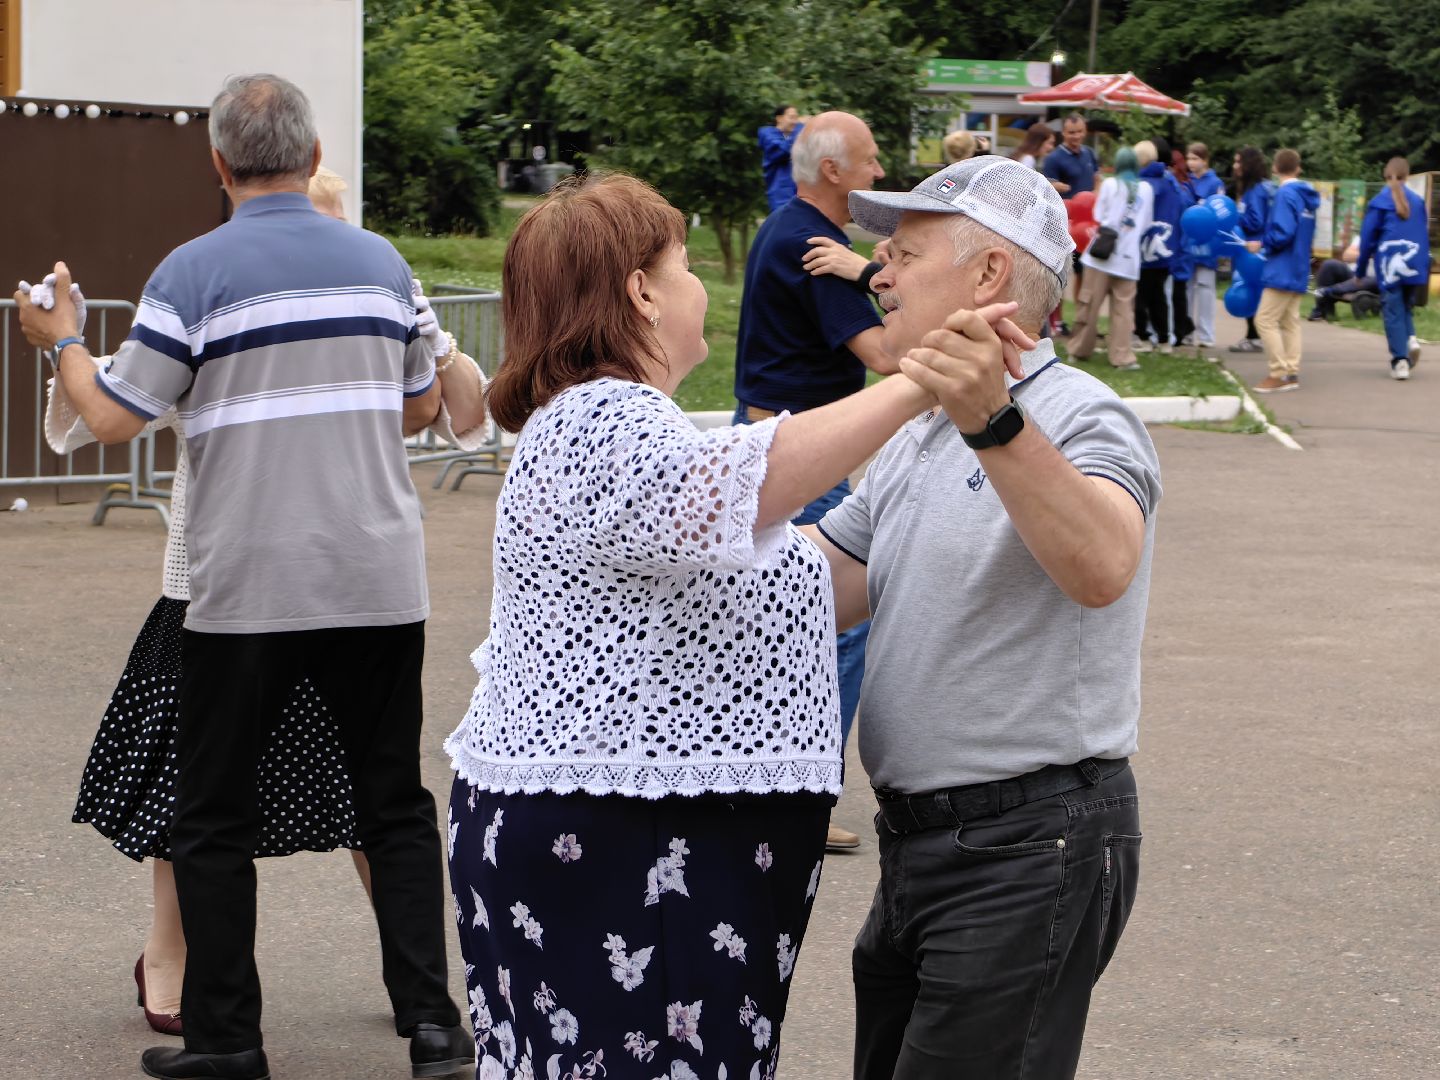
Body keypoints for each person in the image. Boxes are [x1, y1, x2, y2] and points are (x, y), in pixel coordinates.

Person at [442, 170, 1036, 1080]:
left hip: (625, 836)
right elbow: (731, 485)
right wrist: (924, 383)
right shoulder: (604, 419)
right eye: (682, 268)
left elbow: (795, 572)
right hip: (631, 850)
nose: (703, 290)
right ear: (639, 292)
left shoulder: (605, 426)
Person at [15, 74, 472, 1080]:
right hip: (377, 578)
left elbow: (113, 418)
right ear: (312, 161)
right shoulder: (383, 265)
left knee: (212, 818)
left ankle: (230, 1041)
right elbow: (415, 410)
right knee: (393, 804)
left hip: (248, 587)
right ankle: (435, 1031)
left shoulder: (193, 272)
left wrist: (62, 344)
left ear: (219, 165)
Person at [796, 156, 1160, 1080]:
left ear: (989, 274)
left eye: (905, 253)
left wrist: (993, 420)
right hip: (922, 843)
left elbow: (1104, 564)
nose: (878, 274)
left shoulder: (1083, 413)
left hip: (1034, 844)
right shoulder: (918, 429)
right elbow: (824, 581)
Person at [733, 111, 893, 852]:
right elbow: (888, 356)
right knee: (841, 624)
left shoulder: (787, 225)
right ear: (833, 170)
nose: (880, 172)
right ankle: (802, 795)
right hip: (802, 459)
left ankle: (759, 782)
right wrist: (874, 274)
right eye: (869, 160)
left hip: (773, 442)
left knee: (772, 624)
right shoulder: (813, 246)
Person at [1069, 147, 1155, 370]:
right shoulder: (1146, 189)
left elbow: (1098, 216)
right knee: (1123, 311)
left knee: (1089, 304)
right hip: (1128, 259)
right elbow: (1146, 224)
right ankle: (1122, 356)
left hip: (1101, 256)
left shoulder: (1109, 184)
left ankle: (1080, 350)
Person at [1249, 148, 1320, 393]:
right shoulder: (1307, 196)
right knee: (1290, 322)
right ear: (1298, 168)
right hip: (1300, 264)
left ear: (1275, 168)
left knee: (1264, 319)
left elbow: (1283, 232)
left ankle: (1277, 373)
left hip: (1282, 266)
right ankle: (1291, 372)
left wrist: (1262, 242)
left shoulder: (1285, 194)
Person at [1357, 156, 1430, 380]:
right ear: (1406, 177)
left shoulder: (1379, 202)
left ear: (1385, 176)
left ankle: (1400, 361)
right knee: (1404, 307)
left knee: (1392, 311)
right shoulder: (1417, 201)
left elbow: (1368, 239)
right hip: (1417, 263)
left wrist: (1360, 270)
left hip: (1391, 266)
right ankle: (1410, 339)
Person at [1134, 138, 1183, 354]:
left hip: (1145, 248)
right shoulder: (1170, 181)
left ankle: (1144, 336)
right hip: (1167, 246)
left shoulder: (1143, 184)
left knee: (1141, 296)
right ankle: (1164, 339)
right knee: (1159, 296)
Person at [1231, 147, 1277, 352]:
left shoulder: (1255, 191)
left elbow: (1256, 221)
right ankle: (1254, 335)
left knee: (1250, 289)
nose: (1235, 166)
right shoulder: (1263, 188)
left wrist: (1235, 216)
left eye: (1239, 162)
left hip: (1253, 248)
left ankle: (1254, 336)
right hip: (1258, 248)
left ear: (1248, 165)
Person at [1181, 143, 1225, 347]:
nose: (1191, 163)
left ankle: (1207, 335)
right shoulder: (1185, 181)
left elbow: (1220, 209)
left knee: (1206, 287)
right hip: (1188, 239)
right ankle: (1187, 331)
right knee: (1188, 287)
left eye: (1195, 159)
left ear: (1205, 160)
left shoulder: (1214, 182)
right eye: (1189, 158)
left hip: (1207, 242)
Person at [758, 104, 805, 212]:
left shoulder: (795, 137)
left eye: (796, 118)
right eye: (792, 117)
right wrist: (800, 127)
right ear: (779, 118)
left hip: (799, 194)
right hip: (781, 195)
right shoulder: (767, 134)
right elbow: (783, 150)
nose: (795, 122)